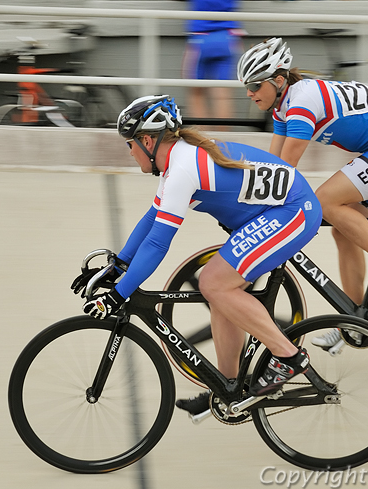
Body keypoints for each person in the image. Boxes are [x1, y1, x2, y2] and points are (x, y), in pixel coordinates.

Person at [81, 94, 322, 416]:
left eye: (130, 143)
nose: (129, 151)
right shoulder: (177, 164)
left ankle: (288, 358)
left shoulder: (182, 169)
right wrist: (119, 264)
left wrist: (117, 294)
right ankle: (229, 387)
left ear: (148, 140)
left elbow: (157, 245)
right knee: (221, 294)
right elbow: (152, 219)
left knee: (214, 283)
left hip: (292, 211)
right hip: (270, 212)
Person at [237, 37, 368, 350]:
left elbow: (286, 169)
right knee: (344, 230)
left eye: (255, 85)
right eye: (246, 86)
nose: (249, 93)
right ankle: (356, 321)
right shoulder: (281, 107)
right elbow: (270, 165)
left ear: (277, 80)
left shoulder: (301, 102)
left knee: (325, 201)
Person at [170, 0, 258, 120]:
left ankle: (202, 144)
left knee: (196, 93)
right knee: (223, 95)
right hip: (228, 37)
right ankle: (223, 144)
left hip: (200, 39)